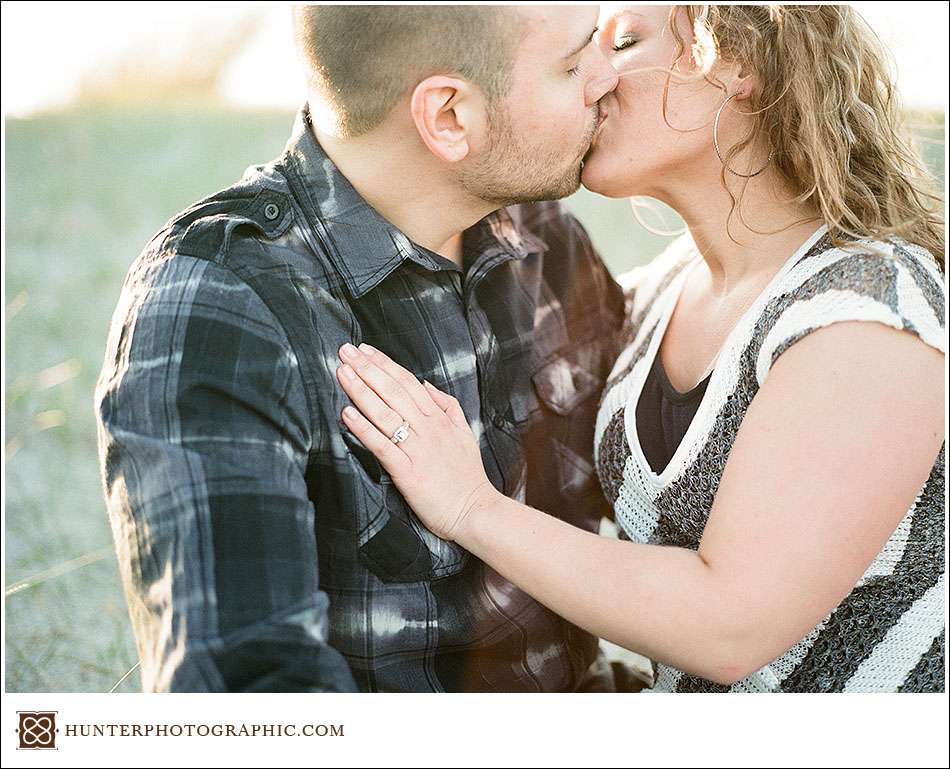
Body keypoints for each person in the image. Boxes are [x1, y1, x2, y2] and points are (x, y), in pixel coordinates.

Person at [335, 4, 946, 692]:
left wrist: (472, 508)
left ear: (739, 62)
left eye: (624, 42)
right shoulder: (659, 293)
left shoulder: (868, 311)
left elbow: (729, 626)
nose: (593, 78)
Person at [94, 5, 641, 692]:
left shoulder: (544, 242)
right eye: (571, 64)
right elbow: (247, 700)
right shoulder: (224, 305)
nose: (606, 74)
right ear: (447, 117)